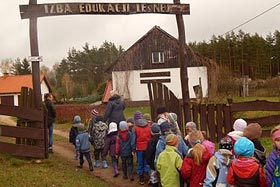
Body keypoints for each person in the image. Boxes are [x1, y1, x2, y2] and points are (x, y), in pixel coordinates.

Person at [132, 111, 151, 185]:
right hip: (147, 147)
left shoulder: (135, 128)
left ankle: (141, 178)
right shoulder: (148, 127)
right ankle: (148, 176)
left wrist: (133, 149)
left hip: (139, 148)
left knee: (140, 162)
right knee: (147, 162)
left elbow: (133, 140)